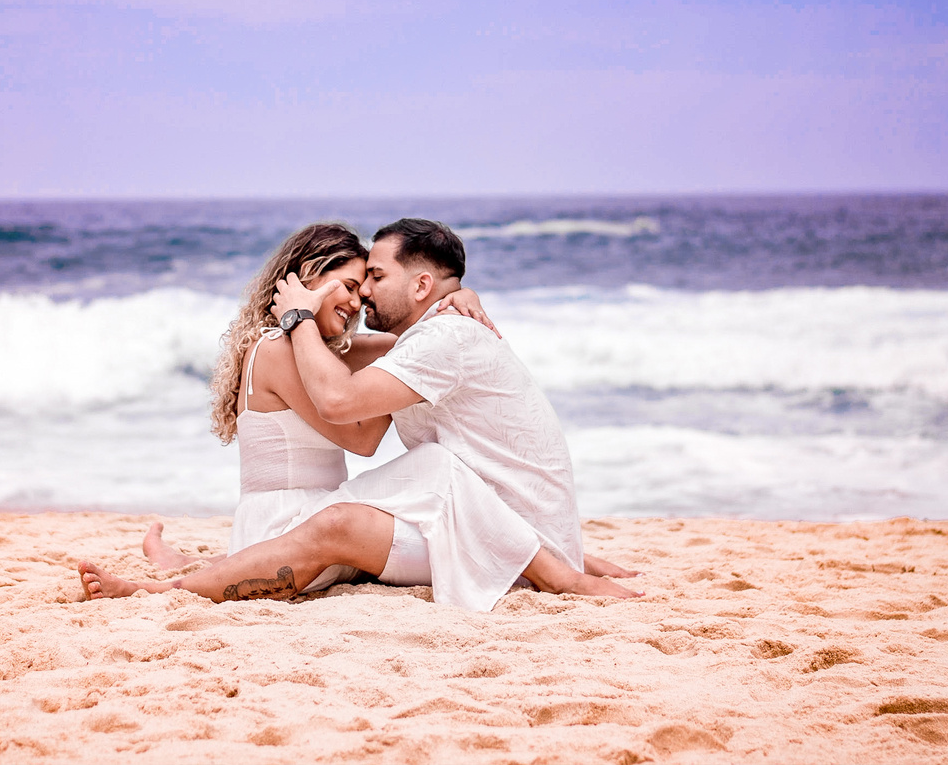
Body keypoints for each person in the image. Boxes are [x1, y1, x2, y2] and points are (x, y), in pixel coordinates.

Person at [77, 219, 640, 610]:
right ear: (301, 281)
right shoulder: (282, 345)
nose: (360, 299)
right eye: (351, 283)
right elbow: (365, 431)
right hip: (295, 520)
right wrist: (305, 320)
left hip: (311, 516)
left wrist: (455, 297)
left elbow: (415, 352)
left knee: (434, 472)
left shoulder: (338, 347)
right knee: (433, 469)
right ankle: (557, 567)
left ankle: (555, 558)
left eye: (370, 280)